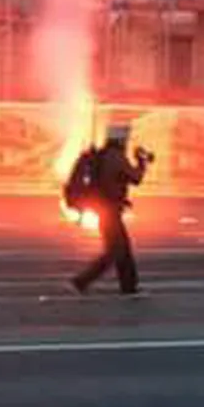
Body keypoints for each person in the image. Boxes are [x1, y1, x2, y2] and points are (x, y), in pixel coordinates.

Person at [69, 125, 152, 296]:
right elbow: (135, 178)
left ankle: (129, 287)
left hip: (103, 208)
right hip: (110, 210)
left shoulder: (102, 155)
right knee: (116, 251)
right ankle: (82, 281)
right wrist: (141, 163)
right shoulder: (116, 157)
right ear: (121, 140)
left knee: (122, 250)